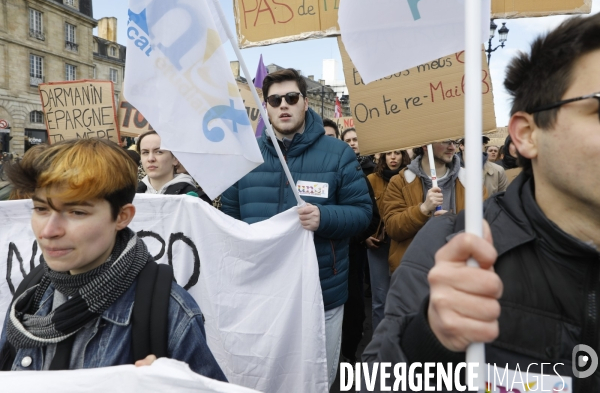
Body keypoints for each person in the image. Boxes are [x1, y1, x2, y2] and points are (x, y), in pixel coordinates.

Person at [362, 13, 600, 391]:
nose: (451, 143)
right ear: (527, 134)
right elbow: (391, 227)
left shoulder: (477, 179)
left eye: (454, 138)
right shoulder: (448, 235)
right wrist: (431, 338)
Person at [0, 138, 226, 380]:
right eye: (41, 209)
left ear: (122, 217)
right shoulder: (30, 295)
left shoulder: (171, 313)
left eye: (77, 212)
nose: (48, 231)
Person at [220, 68, 372, 387]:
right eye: (275, 100)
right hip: (263, 294)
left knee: (317, 377)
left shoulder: (338, 154)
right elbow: (230, 223)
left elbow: (362, 215)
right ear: (266, 107)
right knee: (266, 376)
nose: (283, 105)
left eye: (291, 98)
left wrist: (324, 218)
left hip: (321, 292)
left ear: (305, 103)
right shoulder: (246, 158)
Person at [382, 141, 480, 273]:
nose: (452, 147)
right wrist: (423, 209)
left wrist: (453, 223)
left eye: (455, 142)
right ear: (425, 146)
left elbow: (484, 227)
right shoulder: (400, 182)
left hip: (458, 271)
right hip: (414, 273)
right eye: (446, 142)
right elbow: (392, 228)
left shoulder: (470, 181)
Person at [365, 150, 410, 331]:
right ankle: (379, 349)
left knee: (403, 298)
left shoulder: (410, 180)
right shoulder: (371, 180)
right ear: (382, 157)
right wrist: (365, 236)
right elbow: (365, 211)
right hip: (378, 245)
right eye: (389, 154)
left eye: (397, 153)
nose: (393, 157)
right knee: (380, 300)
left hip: (403, 243)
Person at [136, 130, 210, 203]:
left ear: (175, 159)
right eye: (145, 152)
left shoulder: (197, 200)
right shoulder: (129, 196)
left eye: (159, 152)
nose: (150, 159)